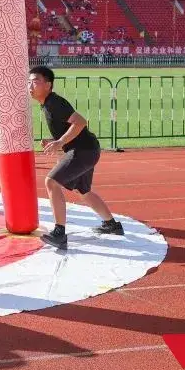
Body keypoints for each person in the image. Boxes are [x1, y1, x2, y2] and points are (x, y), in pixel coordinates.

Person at [29, 66, 123, 249]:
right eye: (29, 82)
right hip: (87, 149)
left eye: (35, 81)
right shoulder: (47, 104)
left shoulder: (54, 102)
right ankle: (112, 225)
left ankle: (59, 233)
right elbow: (70, 128)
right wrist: (55, 141)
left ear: (48, 85)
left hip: (83, 150)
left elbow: (80, 122)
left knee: (51, 182)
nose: (30, 86)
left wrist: (59, 142)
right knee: (83, 191)